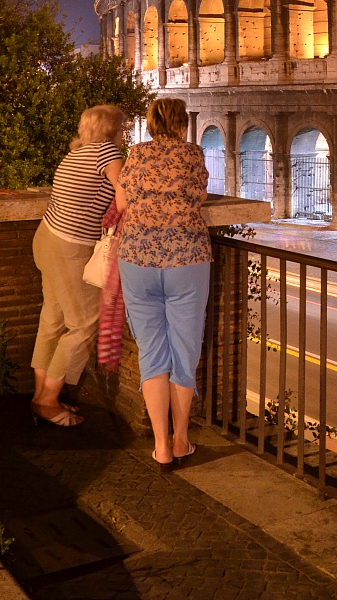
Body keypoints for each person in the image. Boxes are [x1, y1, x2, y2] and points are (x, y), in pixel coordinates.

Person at [115, 97, 210, 468]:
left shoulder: (136, 155)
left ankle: (161, 446)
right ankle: (181, 438)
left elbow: (122, 203)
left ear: (152, 123)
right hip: (186, 258)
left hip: (137, 258)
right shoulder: (193, 155)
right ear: (182, 123)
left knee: (152, 352)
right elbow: (199, 197)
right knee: (185, 352)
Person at [30, 104, 128, 428]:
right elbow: (126, 196)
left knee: (53, 317)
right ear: (111, 130)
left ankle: (40, 395)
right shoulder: (107, 153)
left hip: (46, 237)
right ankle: (47, 400)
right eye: (122, 128)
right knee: (85, 323)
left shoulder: (76, 154)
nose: (124, 134)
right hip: (69, 247)